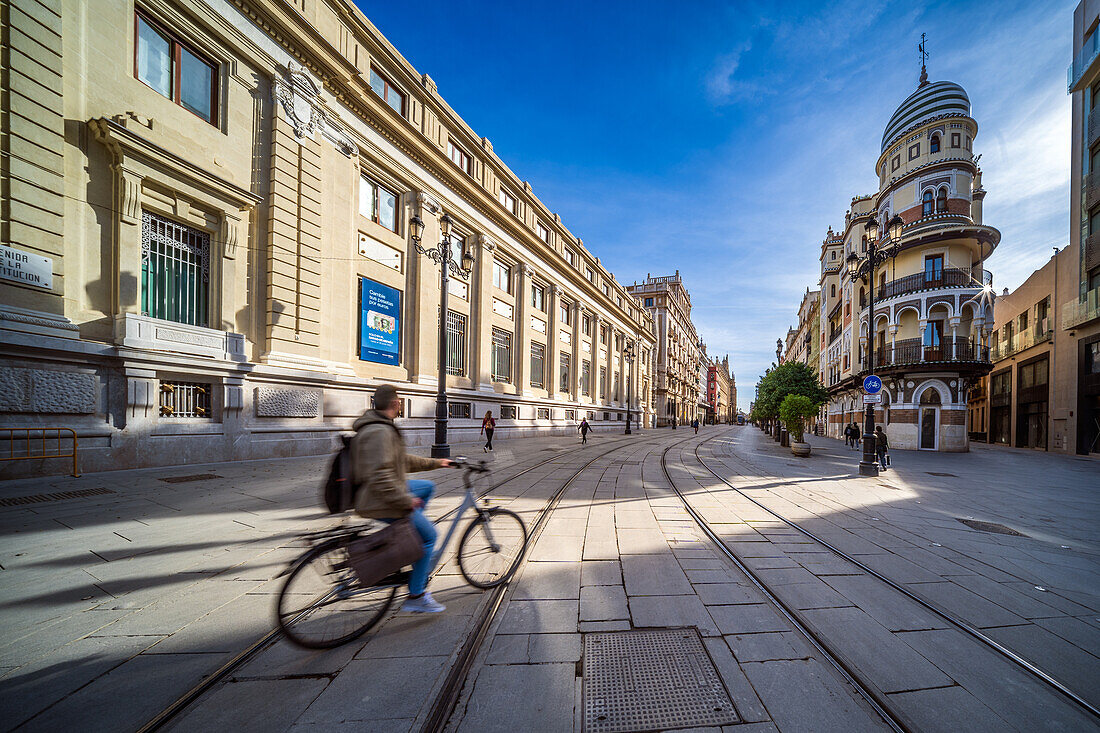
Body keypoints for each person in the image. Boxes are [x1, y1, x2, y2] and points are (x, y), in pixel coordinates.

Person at [352, 384, 452, 613]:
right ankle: (416, 595)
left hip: (382, 490)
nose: (400, 404)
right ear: (395, 403)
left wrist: (437, 463)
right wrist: (406, 502)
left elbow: (401, 461)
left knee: (426, 488)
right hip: (378, 498)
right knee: (429, 537)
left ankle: (409, 538)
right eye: (398, 401)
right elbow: (380, 478)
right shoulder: (380, 432)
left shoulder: (380, 427)